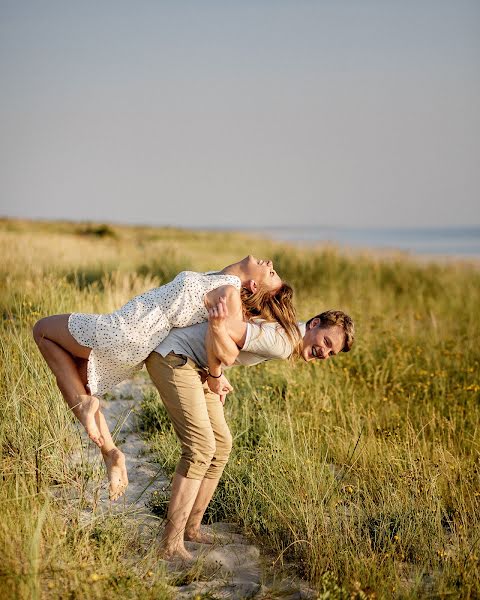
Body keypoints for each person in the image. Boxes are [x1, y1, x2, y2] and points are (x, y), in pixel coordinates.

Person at [32, 256, 299, 500]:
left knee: (43, 329)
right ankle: (110, 451)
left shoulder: (229, 292)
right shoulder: (220, 280)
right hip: (136, 338)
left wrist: (217, 374)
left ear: (253, 285)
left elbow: (224, 342)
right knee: (71, 375)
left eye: (272, 272)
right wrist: (216, 370)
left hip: (125, 329)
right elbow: (208, 332)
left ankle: (87, 405)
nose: (270, 262)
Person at [145, 296, 354, 559]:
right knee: (200, 449)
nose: (325, 353)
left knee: (221, 446)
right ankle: (170, 544)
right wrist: (216, 375)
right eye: (326, 342)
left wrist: (217, 371)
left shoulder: (287, 335)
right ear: (314, 324)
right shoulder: (282, 341)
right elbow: (221, 327)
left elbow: (227, 335)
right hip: (175, 357)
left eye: (331, 353)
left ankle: (192, 529)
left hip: (198, 364)